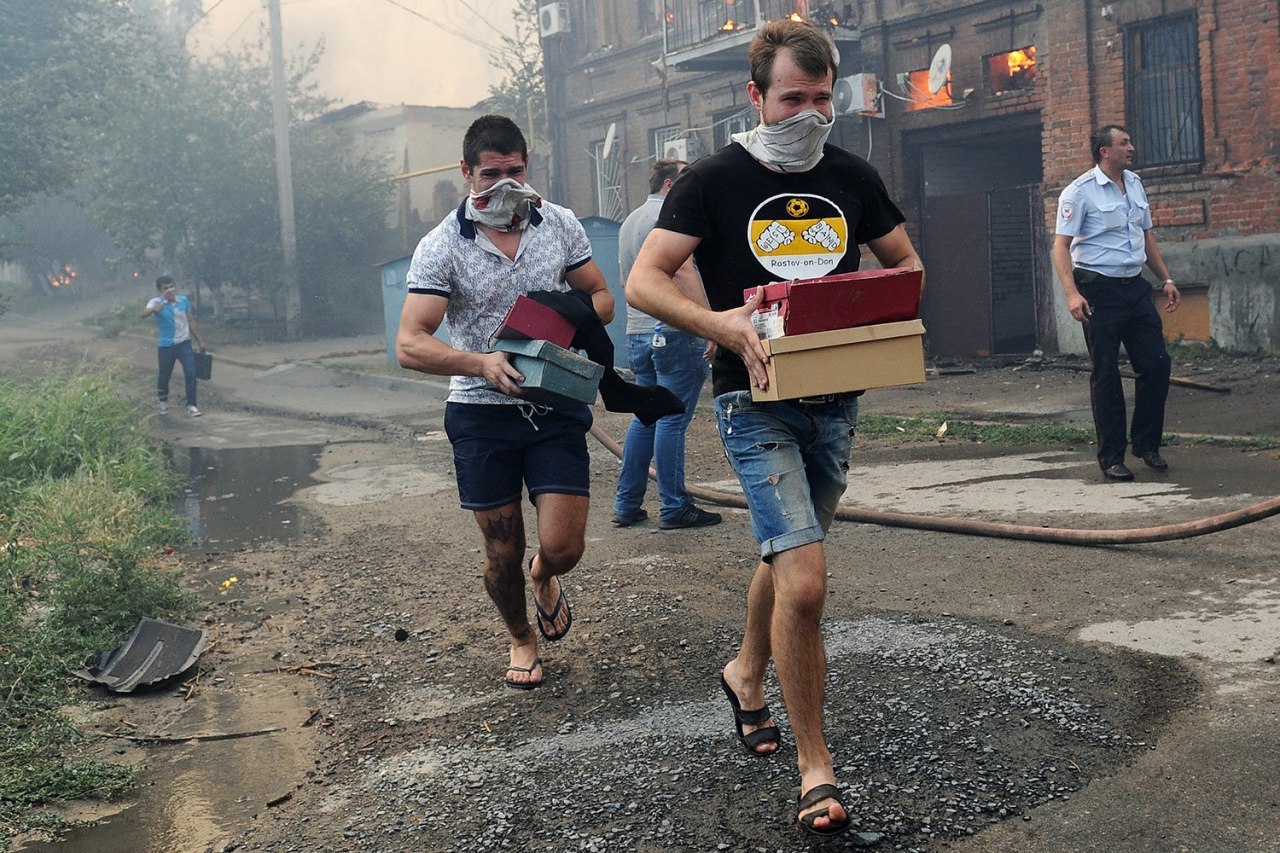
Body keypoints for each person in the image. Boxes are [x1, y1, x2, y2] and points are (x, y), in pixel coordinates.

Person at [626, 20, 923, 837]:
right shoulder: (714, 180)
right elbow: (644, 281)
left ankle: (745, 670)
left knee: (786, 550)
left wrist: (879, 298)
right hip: (750, 400)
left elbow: (906, 264)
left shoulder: (853, 175)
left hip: (836, 399)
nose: (811, 114)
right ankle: (816, 768)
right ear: (755, 96)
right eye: (794, 98)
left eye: (823, 98)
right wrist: (724, 326)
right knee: (807, 580)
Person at [395, 115, 614, 691]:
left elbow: (599, 292)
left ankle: (547, 575)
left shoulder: (558, 223)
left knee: (563, 546)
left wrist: (571, 323)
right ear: (466, 173)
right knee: (502, 550)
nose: (504, 184)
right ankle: (521, 637)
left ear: (527, 166)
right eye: (490, 174)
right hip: (479, 412)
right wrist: (480, 362)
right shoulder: (442, 245)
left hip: (553, 403)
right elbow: (410, 343)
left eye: (514, 171)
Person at [1053, 124, 1181, 482]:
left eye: (1130, 141)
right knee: (1106, 374)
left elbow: (1145, 235)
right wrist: (1071, 293)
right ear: (1104, 151)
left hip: (1135, 289)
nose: (1132, 147)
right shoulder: (1078, 192)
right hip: (1098, 291)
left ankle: (1145, 443)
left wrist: (1165, 279)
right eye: (1124, 143)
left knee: (1157, 364)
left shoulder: (1135, 184)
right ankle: (1111, 456)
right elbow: (1060, 247)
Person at [612, 159, 722, 531]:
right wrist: (711, 325)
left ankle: (626, 504)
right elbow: (683, 270)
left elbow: (629, 280)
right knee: (672, 419)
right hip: (672, 332)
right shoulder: (673, 217)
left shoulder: (630, 222)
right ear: (671, 184)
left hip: (638, 333)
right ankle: (674, 506)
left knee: (647, 416)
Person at [142, 275, 203, 416]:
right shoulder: (156, 302)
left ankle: (191, 405)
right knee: (164, 375)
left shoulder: (183, 300)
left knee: (191, 373)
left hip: (184, 343)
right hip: (166, 346)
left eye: (171, 286)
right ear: (159, 290)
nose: (170, 290)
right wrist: (153, 310)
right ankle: (162, 402)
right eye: (166, 288)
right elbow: (143, 314)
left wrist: (200, 340)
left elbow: (190, 320)